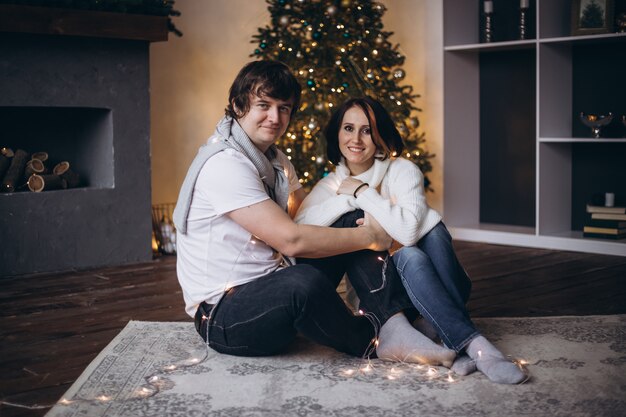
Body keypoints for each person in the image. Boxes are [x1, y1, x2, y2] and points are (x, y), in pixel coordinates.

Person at [172, 61, 453, 365]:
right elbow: (291, 240)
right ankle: (371, 341)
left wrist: (359, 211)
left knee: (344, 222)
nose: (275, 117)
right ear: (238, 105)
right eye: (263, 105)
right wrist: (371, 236)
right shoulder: (226, 164)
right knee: (303, 281)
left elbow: (310, 216)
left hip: (274, 284)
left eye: (284, 108)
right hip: (225, 316)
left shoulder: (276, 161)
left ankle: (395, 324)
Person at [295, 96, 528, 384]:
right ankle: (472, 345)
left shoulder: (403, 170)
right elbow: (299, 227)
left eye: (367, 130)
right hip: (387, 301)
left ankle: (457, 339)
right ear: (337, 134)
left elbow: (407, 233)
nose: (356, 138)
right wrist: (347, 200)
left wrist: (363, 192)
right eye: (348, 128)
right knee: (410, 255)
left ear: (380, 136)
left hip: (436, 283)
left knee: (427, 235)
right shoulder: (331, 185)